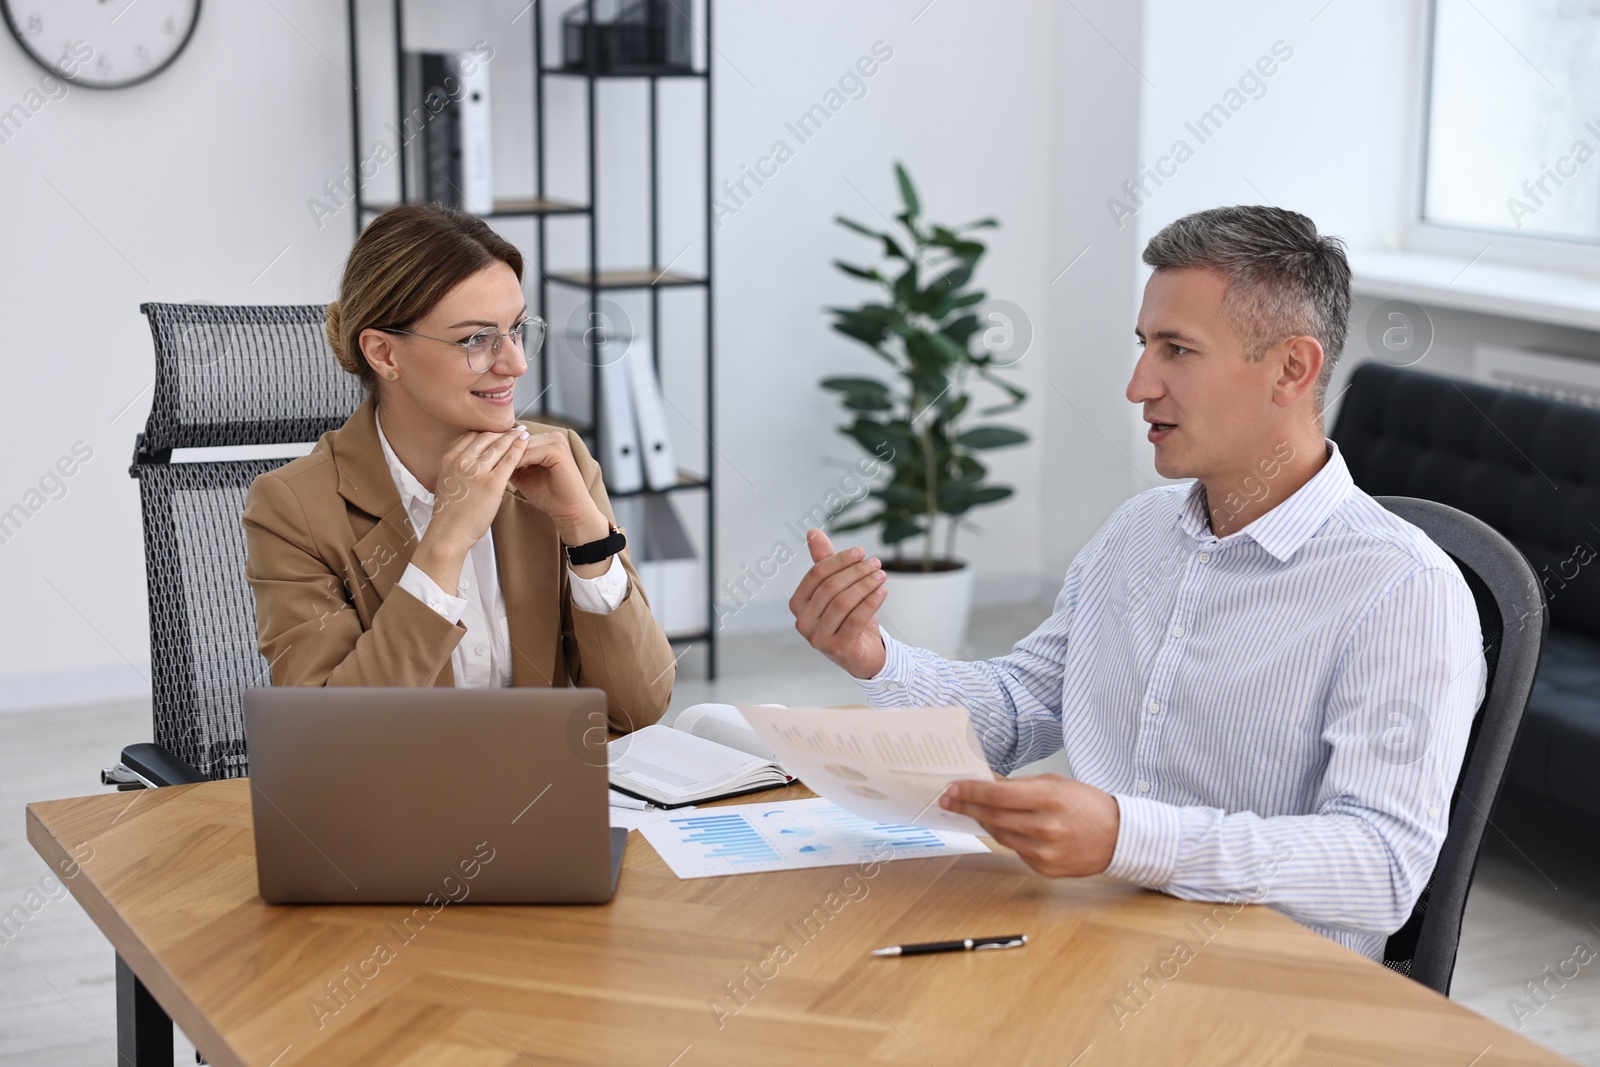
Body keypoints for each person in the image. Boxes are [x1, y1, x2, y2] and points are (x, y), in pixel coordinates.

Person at [789, 205, 1486, 960]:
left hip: (1268, 995)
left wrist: (1129, 838)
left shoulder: (1404, 589)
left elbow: (1381, 867)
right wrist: (875, 656)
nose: (1137, 385)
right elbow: (1021, 709)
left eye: (1176, 349)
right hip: (1090, 940)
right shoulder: (1138, 532)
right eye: (1144, 344)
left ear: (1292, 368)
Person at [243, 202, 675, 730]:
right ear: (383, 353)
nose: (515, 362)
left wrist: (587, 537)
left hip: (544, 797)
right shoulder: (293, 509)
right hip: (398, 807)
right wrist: (444, 543)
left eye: (517, 329)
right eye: (475, 339)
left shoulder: (560, 462)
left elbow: (638, 710)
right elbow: (334, 734)